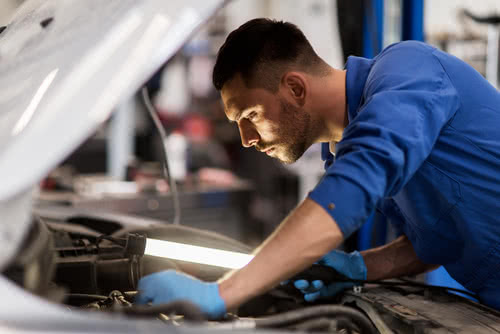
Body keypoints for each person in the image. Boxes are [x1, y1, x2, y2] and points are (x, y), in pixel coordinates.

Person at [136, 18, 500, 316]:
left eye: (251, 115)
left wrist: (223, 293)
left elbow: (352, 187)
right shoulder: (343, 149)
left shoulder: (409, 71)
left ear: (295, 88)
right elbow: (436, 241)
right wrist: (359, 267)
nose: (246, 138)